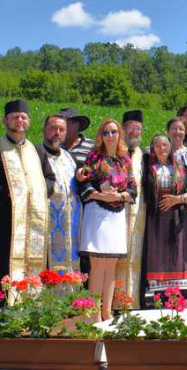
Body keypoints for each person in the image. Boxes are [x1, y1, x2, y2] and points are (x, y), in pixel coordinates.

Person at [0, 100, 55, 294]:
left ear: (29, 121)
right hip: (2, 222)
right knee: (0, 267)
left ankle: (29, 310)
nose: (19, 120)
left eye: (23, 117)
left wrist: (39, 191)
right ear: (5, 120)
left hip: (31, 223)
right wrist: (7, 193)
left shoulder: (37, 151)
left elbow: (50, 178)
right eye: (15, 117)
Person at [77, 119, 137, 321]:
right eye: (106, 133)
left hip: (117, 215)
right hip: (97, 213)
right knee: (98, 263)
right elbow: (84, 184)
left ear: (120, 134)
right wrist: (102, 196)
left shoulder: (125, 160)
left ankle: (107, 311)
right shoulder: (94, 157)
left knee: (111, 264)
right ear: (100, 136)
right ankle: (93, 313)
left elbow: (132, 189)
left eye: (114, 132)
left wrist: (119, 196)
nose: (110, 136)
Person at [144, 135, 187, 294]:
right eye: (158, 145)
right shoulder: (148, 168)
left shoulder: (180, 167)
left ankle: (178, 295)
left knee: (178, 252)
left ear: (170, 147)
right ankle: (159, 295)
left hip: (177, 215)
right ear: (153, 149)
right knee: (157, 253)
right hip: (156, 217)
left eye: (165, 145)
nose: (162, 149)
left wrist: (177, 199)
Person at [38, 114, 82, 272]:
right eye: (53, 128)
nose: (57, 132)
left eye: (61, 129)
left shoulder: (70, 158)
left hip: (70, 227)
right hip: (46, 226)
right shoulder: (36, 155)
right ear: (44, 130)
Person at [115, 110, 146, 309]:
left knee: (135, 257)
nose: (134, 132)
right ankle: (115, 303)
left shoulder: (143, 155)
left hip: (138, 215)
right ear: (123, 128)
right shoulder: (114, 151)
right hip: (116, 212)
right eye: (131, 128)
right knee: (117, 257)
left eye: (138, 129)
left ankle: (133, 301)